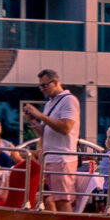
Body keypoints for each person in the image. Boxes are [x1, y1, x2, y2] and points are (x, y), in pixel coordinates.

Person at [28, 68, 81, 211]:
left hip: (62, 159)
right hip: (51, 159)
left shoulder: (69, 100)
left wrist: (40, 116)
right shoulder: (50, 103)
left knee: (63, 201)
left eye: (45, 85)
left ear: (56, 82)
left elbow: (66, 128)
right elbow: (45, 133)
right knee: (51, 200)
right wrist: (33, 121)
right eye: (40, 86)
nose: (42, 89)